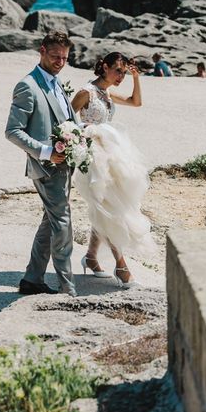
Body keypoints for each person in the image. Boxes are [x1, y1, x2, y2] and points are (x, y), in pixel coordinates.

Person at [5, 31, 78, 296]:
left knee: (50, 221)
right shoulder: (28, 85)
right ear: (42, 51)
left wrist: (83, 144)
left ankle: (32, 280)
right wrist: (46, 151)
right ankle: (67, 288)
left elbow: (68, 121)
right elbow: (13, 131)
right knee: (62, 224)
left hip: (64, 166)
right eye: (56, 56)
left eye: (65, 58)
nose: (60, 62)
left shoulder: (57, 82)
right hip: (46, 167)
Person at [71, 52, 143, 288]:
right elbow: (67, 121)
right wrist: (87, 129)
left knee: (107, 207)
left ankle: (91, 258)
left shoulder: (107, 92)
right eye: (117, 71)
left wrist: (136, 77)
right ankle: (121, 266)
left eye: (123, 72)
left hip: (112, 157)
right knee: (109, 208)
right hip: (93, 158)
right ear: (104, 67)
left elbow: (136, 102)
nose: (120, 76)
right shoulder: (86, 92)